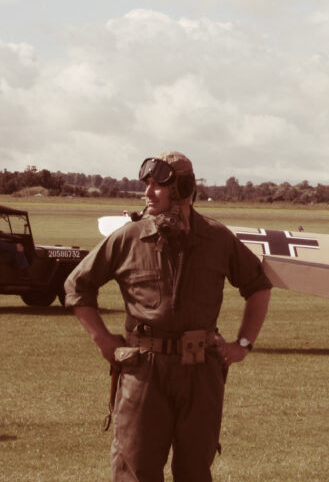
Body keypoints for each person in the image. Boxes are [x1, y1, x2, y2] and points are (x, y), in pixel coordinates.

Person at [65, 151, 272, 482]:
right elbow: (78, 285)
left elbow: (258, 286)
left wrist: (242, 344)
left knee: (194, 471)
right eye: (146, 185)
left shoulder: (217, 238)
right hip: (144, 372)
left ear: (184, 189)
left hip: (201, 371)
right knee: (136, 471)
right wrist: (103, 340)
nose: (147, 193)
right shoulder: (128, 238)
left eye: (158, 186)